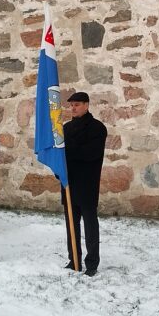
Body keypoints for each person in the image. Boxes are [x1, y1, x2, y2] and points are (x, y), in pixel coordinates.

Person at [61, 91, 107, 276]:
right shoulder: (65, 128)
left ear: (87, 105)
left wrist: (69, 152)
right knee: (71, 224)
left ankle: (92, 263)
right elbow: (60, 157)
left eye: (77, 104)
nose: (73, 108)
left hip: (87, 183)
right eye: (71, 105)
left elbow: (90, 154)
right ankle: (74, 259)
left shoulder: (97, 128)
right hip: (68, 183)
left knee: (89, 225)